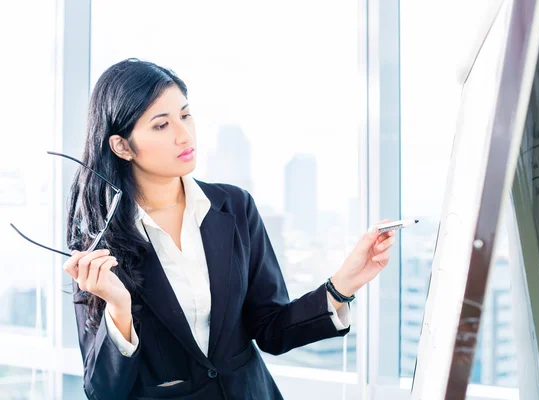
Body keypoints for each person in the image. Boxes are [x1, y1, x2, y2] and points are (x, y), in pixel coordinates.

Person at [62, 58, 395, 400]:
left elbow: (271, 328)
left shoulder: (234, 207)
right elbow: (103, 390)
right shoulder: (100, 241)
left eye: (185, 115)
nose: (184, 134)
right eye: (162, 125)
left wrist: (344, 284)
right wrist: (119, 308)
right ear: (122, 146)